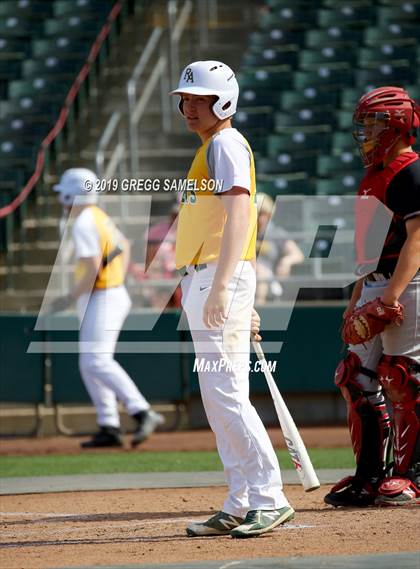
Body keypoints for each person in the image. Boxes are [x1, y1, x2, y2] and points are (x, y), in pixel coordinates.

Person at [170, 61, 294, 537]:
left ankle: (268, 497)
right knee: (219, 397)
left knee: (226, 395)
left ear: (223, 101)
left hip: (215, 279)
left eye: (198, 98)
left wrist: (227, 285)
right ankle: (240, 501)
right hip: (209, 278)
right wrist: (235, 285)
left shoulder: (224, 143)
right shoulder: (213, 147)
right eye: (185, 98)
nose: (188, 106)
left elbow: (241, 214)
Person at [324, 87, 420, 507]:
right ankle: (368, 476)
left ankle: (410, 475)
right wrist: (357, 299)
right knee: (354, 375)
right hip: (377, 281)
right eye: (364, 125)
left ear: (399, 126)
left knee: (403, 378)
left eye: (376, 124)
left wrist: (391, 296)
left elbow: (418, 238)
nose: (367, 133)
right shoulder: (372, 176)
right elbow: (368, 251)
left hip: (409, 281)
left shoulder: (411, 170)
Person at [51, 168, 164, 448]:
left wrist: (68, 296)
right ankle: (109, 425)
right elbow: (123, 245)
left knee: (96, 360)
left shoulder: (83, 222)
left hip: (102, 295)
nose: (61, 201)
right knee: (90, 362)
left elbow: (91, 270)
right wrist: (116, 276)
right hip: (107, 293)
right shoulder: (97, 216)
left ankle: (141, 410)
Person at [255, 192, 304, 303]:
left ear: (269, 214)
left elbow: (298, 255)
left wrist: (286, 261)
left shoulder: (276, 233)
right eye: (257, 213)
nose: (259, 217)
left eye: (263, 213)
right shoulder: (245, 234)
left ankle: (259, 309)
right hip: (246, 276)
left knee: (260, 271)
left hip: (269, 279)